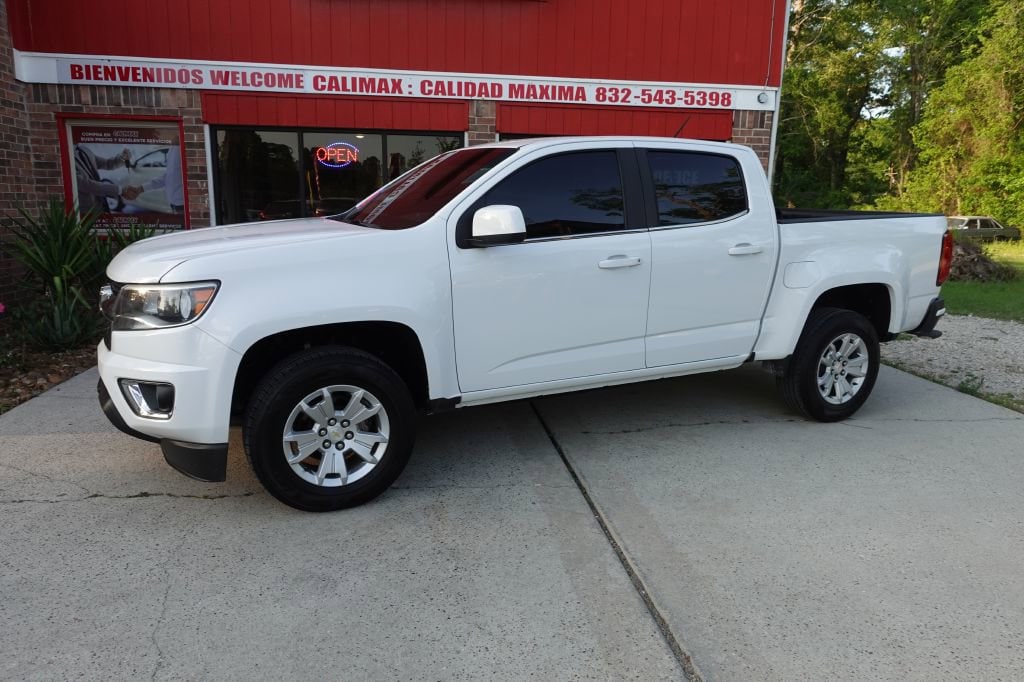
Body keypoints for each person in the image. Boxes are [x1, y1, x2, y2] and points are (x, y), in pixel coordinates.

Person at [123, 133, 185, 213]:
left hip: (183, 207)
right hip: (174, 205)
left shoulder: (184, 149)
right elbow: (168, 177)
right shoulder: (172, 150)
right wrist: (140, 189)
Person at [73, 145, 130, 214]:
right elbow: (87, 185)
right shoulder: (66, 157)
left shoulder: (83, 149)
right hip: (85, 211)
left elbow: (107, 163)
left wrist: (122, 158)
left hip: (100, 206)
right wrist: (119, 190)